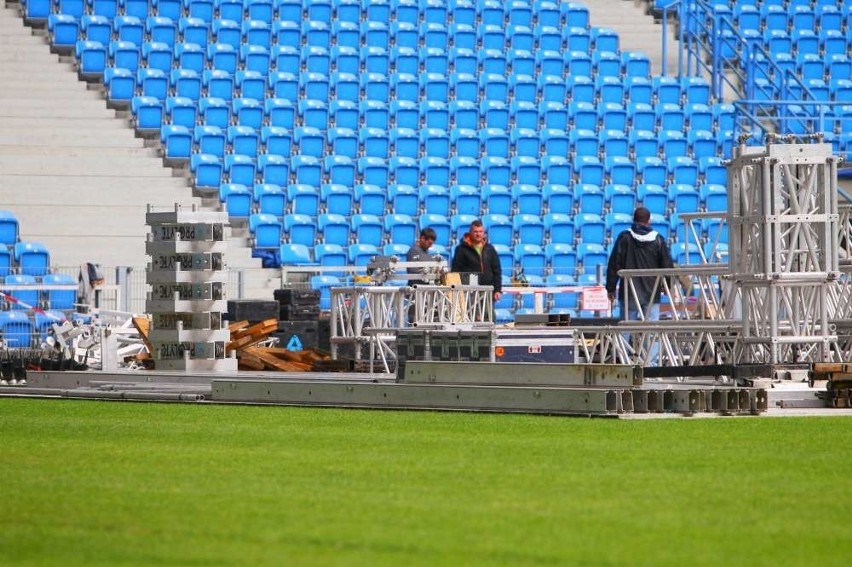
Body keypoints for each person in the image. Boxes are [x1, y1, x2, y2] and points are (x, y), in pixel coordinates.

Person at [606, 206, 674, 322]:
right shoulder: (658, 239)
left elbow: (614, 263)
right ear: (649, 221)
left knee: (626, 329)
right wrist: (667, 285)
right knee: (652, 331)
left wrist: (610, 288)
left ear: (633, 219)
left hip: (629, 291)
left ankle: (624, 341)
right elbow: (667, 264)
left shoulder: (624, 238)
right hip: (652, 291)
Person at [451, 219, 502, 302]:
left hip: (487, 291)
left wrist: (497, 290)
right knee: (469, 315)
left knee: (488, 315)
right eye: (475, 231)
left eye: (480, 231)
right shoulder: (461, 249)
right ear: (470, 232)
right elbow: (455, 270)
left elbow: (497, 270)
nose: (478, 234)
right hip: (468, 292)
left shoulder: (490, 249)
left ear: (484, 233)